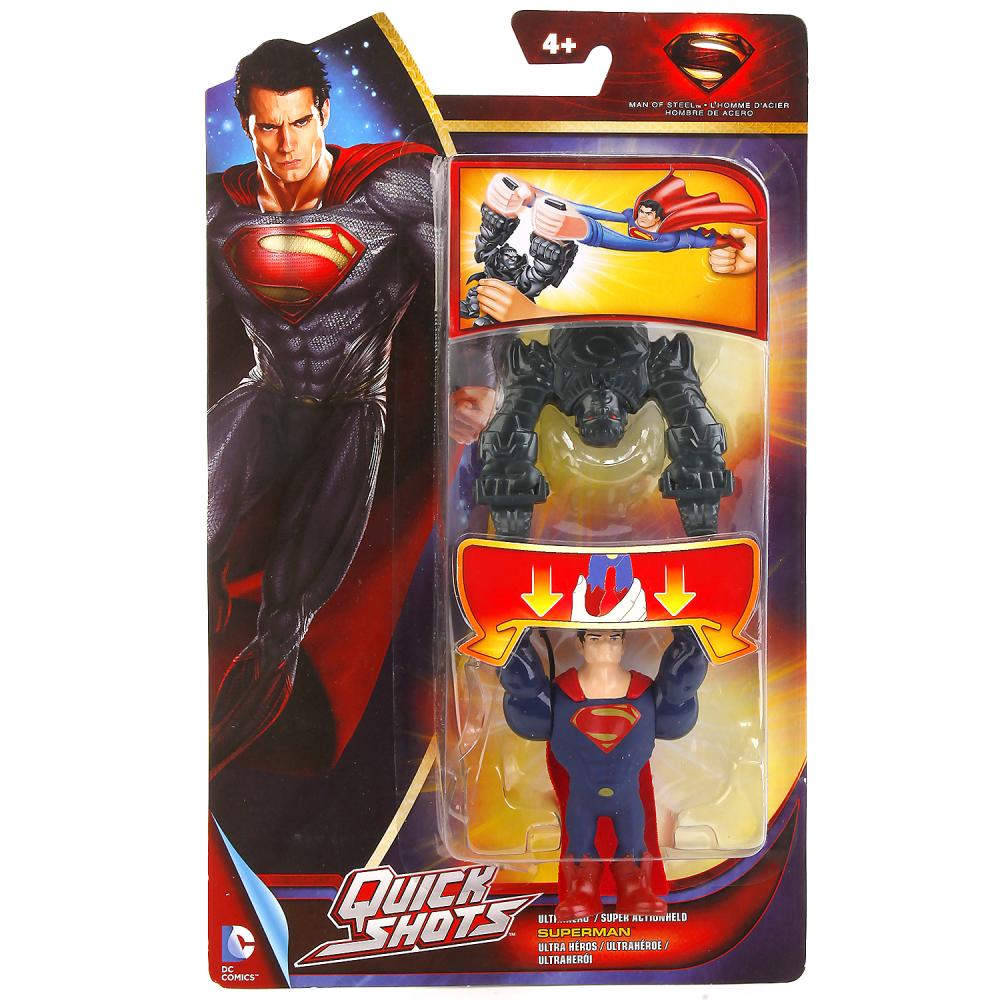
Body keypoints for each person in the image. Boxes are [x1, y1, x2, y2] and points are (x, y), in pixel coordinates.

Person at [207, 38, 494, 776]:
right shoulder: (216, 208)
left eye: (301, 123)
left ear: (325, 113)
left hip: (351, 410)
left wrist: (479, 380)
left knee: (287, 614)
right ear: (248, 125)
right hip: (263, 399)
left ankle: (222, 758)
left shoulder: (388, 191)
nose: (288, 145)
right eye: (271, 127)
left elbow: (471, 279)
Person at [500, 626, 709, 919]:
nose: (605, 646)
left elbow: (679, 692)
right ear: (580, 644)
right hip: (582, 797)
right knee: (580, 847)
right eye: (595, 638)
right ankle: (581, 890)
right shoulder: (561, 695)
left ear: (624, 644)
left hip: (627, 797)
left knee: (633, 846)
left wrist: (691, 641)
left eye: (613, 638)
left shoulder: (644, 693)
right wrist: (512, 643)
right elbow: (525, 694)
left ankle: (636, 889)